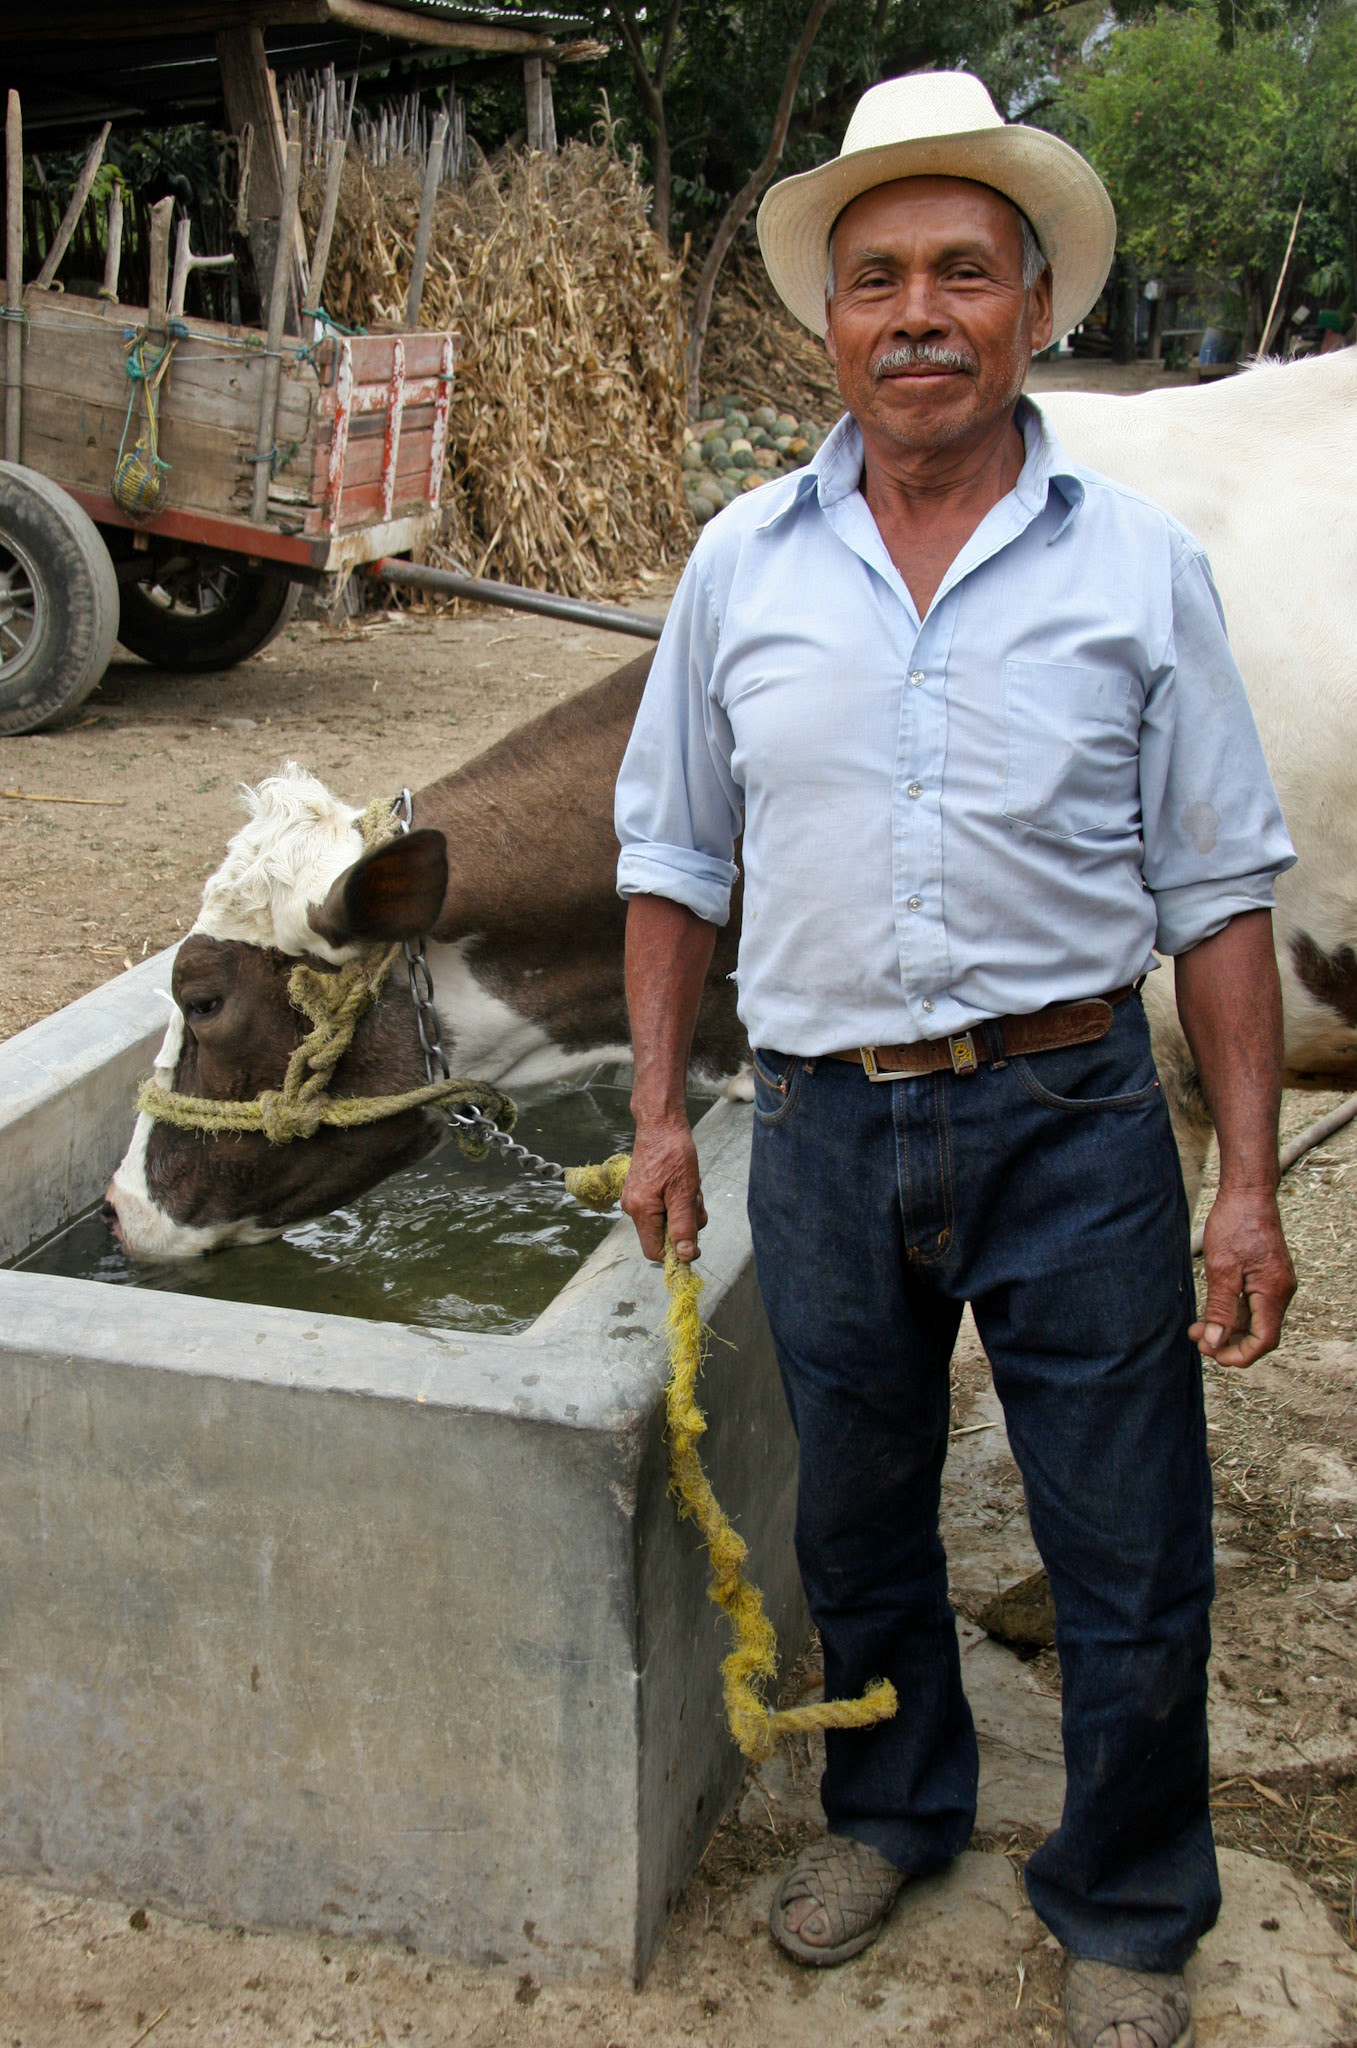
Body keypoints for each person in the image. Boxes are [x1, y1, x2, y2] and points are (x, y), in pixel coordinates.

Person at [613, 71, 1298, 2048]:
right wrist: (661, 1117)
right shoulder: (740, 562)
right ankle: (895, 1808)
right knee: (857, 1506)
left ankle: (1127, 1899)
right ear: (827, 321)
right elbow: (669, 859)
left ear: (1030, 307)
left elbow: (1217, 889)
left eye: (960, 275)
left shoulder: (1133, 565)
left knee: (1120, 1524)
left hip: (1075, 1113)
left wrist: (1241, 1179)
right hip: (820, 1123)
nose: (915, 312)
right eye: (875, 278)